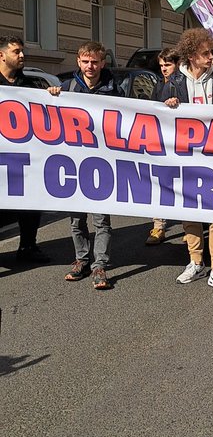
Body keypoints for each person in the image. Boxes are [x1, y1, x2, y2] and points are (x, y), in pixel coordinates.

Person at [163, 28, 213, 291]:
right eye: (205, 53)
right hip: (186, 155)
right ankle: (196, 261)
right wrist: (167, 103)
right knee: (190, 210)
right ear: (191, 55)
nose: (211, 57)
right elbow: (154, 115)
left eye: (211, 52)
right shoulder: (174, 81)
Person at [56, 42, 123, 290]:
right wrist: (52, 97)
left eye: (95, 62)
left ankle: (100, 265)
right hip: (73, 162)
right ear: (78, 61)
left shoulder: (114, 89)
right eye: (85, 61)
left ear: (103, 63)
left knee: (101, 219)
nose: (90, 66)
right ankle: (81, 260)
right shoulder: (67, 88)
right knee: (76, 220)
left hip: (102, 162)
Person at [0, 34, 59, 268]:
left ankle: (28, 246)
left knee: (30, 203)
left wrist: (53, 98)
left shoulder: (31, 86)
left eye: (22, 51)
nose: (22, 55)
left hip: (24, 158)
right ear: (1, 55)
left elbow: (48, 117)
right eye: (16, 52)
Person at [145, 49, 180, 246]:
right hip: (162, 141)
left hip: (181, 141)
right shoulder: (159, 84)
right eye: (161, 66)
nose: (164, 69)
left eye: (168, 65)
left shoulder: (182, 83)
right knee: (159, 183)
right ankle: (158, 225)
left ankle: (189, 226)